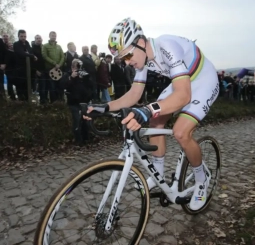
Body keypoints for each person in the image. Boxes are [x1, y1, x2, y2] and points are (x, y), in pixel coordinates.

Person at [84, 17, 219, 210]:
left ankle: (202, 178)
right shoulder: (143, 58)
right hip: (183, 82)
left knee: (181, 132)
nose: (127, 63)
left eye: (128, 56)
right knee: (155, 121)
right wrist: (104, 107)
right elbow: (134, 94)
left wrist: (148, 110)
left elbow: (183, 95)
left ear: (140, 43)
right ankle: (158, 174)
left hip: (203, 80)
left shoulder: (166, 46)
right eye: (123, 60)